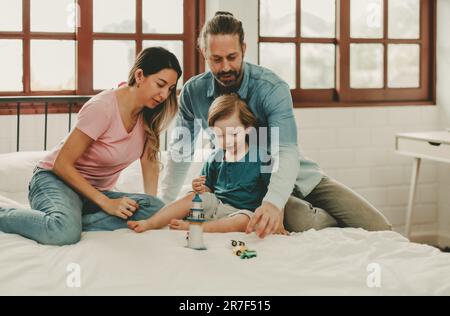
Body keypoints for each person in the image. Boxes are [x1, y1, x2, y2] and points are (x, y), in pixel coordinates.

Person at [160, 12, 392, 239]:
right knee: (303, 221)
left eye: (232, 57)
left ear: (244, 49)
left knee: (379, 227)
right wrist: (166, 202)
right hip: (249, 190)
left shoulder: (271, 87)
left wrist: (274, 202)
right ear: (203, 53)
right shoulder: (193, 92)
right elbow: (182, 150)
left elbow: (286, 149)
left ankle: (322, 215)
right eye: (216, 59)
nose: (225, 67)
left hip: (296, 175)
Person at [0, 47, 182, 245]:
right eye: (160, 84)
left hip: (95, 193)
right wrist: (107, 204)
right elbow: (61, 164)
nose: (164, 95)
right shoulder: (103, 107)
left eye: (170, 89)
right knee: (63, 233)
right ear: (140, 75)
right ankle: (14, 215)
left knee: (155, 207)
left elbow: (149, 162)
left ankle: (74, 219)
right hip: (56, 180)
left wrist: (150, 216)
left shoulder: (148, 115)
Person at [128, 94, 287, 234]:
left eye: (233, 134)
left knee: (244, 221)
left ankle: (199, 227)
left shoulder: (262, 157)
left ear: (247, 129)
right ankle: (151, 222)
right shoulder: (216, 157)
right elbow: (207, 188)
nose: (227, 141)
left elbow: (278, 193)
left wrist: (278, 221)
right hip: (216, 205)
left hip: (242, 212)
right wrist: (200, 188)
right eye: (220, 135)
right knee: (192, 197)